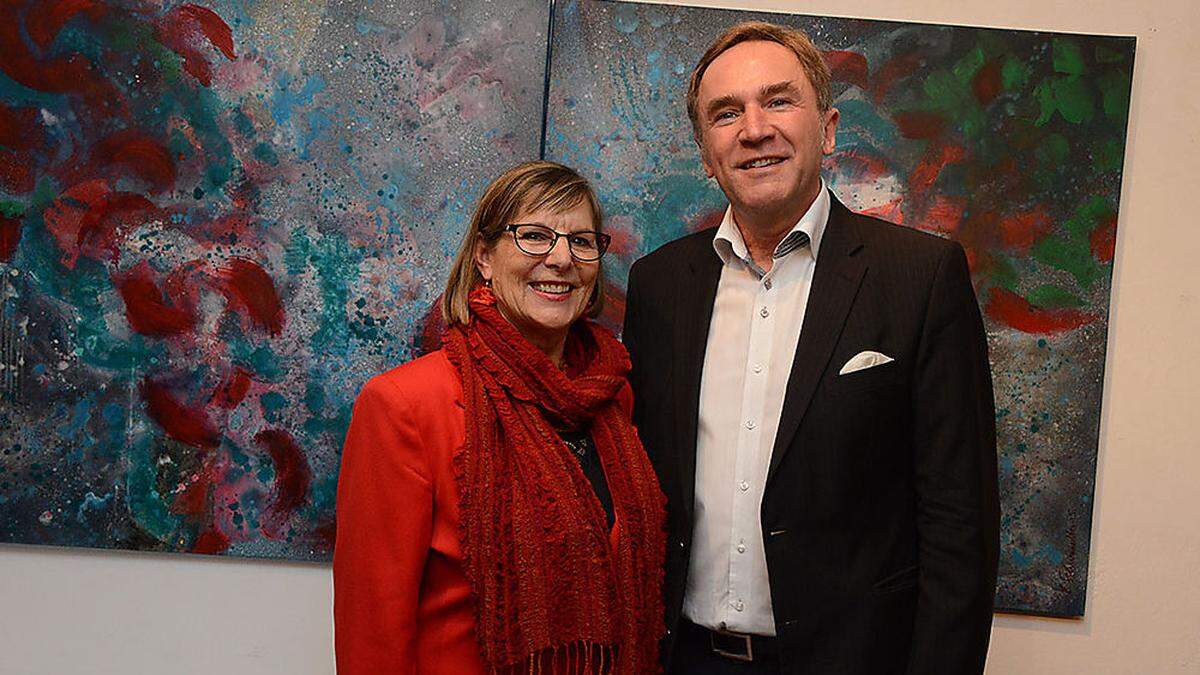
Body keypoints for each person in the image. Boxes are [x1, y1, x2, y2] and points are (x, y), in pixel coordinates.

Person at [622, 22, 1000, 674]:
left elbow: (959, 524)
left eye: (778, 100)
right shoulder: (659, 287)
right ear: (707, 153)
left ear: (826, 129)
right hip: (685, 659)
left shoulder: (920, 277)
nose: (754, 128)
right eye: (726, 113)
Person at [334, 161, 667, 674]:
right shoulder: (403, 404)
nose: (560, 259)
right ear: (484, 257)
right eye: (534, 236)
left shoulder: (611, 399)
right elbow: (372, 625)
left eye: (581, 242)